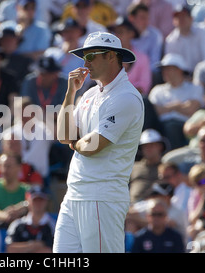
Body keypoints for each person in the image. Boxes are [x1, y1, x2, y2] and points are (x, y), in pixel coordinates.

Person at [54, 31, 144, 253]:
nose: (85, 63)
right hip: (75, 193)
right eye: (84, 57)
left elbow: (92, 146)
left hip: (102, 197)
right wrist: (70, 93)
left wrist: (75, 143)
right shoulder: (89, 94)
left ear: (111, 56)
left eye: (91, 56)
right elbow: (63, 136)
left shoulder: (126, 97)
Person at [148, 53, 204, 150]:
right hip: (160, 127)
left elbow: (191, 110)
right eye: (164, 69)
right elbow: (153, 112)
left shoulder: (195, 88)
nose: (164, 72)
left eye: (168, 68)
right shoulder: (157, 90)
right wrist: (177, 106)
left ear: (179, 70)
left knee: (172, 126)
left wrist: (165, 108)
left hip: (185, 127)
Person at [0, 153, 30, 228]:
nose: (4, 170)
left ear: (19, 168)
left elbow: (36, 206)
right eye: (2, 166)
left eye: (9, 166)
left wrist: (22, 208)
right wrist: (6, 216)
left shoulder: (27, 189)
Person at [107, 16, 151, 95]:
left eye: (120, 32)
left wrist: (123, 94)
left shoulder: (142, 58)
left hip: (133, 100)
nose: (117, 35)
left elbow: (143, 87)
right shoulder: (107, 57)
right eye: (115, 32)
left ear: (131, 34)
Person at [164, 4, 205, 76]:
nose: (181, 20)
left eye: (184, 16)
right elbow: (172, 66)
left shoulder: (202, 31)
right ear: (174, 21)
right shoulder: (170, 40)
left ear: (191, 18)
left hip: (204, 74)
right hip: (182, 78)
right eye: (178, 17)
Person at [5, 186, 55, 253]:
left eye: (41, 200)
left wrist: (23, 248)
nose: (38, 203)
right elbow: (10, 249)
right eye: (35, 200)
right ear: (28, 201)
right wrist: (35, 245)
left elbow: (50, 250)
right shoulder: (17, 224)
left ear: (46, 201)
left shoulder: (53, 225)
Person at [130, 129, 167, 203]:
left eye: (152, 145)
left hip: (156, 209)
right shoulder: (133, 167)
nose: (148, 149)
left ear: (160, 147)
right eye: (145, 146)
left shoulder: (166, 168)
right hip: (131, 206)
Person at [127, 2, 163, 74]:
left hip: (146, 75)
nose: (146, 22)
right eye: (142, 18)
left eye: (147, 18)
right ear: (131, 18)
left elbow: (154, 64)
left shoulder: (155, 35)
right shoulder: (121, 33)